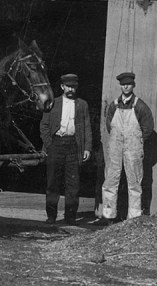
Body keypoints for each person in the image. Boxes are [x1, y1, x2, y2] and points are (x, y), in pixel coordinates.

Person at [98, 71, 154, 222]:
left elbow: (148, 128)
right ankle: (108, 215)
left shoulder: (140, 106)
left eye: (128, 84)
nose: (126, 87)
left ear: (133, 85)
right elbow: (110, 125)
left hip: (133, 147)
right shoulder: (114, 105)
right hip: (116, 146)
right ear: (120, 86)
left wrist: (135, 140)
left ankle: (134, 217)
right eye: (123, 84)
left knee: (134, 182)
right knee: (111, 180)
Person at [39, 73, 92, 224]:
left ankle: (70, 217)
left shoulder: (82, 104)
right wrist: (49, 144)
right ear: (62, 87)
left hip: (73, 146)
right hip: (55, 144)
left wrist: (87, 147)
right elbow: (44, 126)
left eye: (73, 86)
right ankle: (51, 216)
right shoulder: (53, 103)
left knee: (73, 184)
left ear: (77, 87)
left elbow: (87, 127)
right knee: (52, 183)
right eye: (68, 86)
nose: (71, 89)